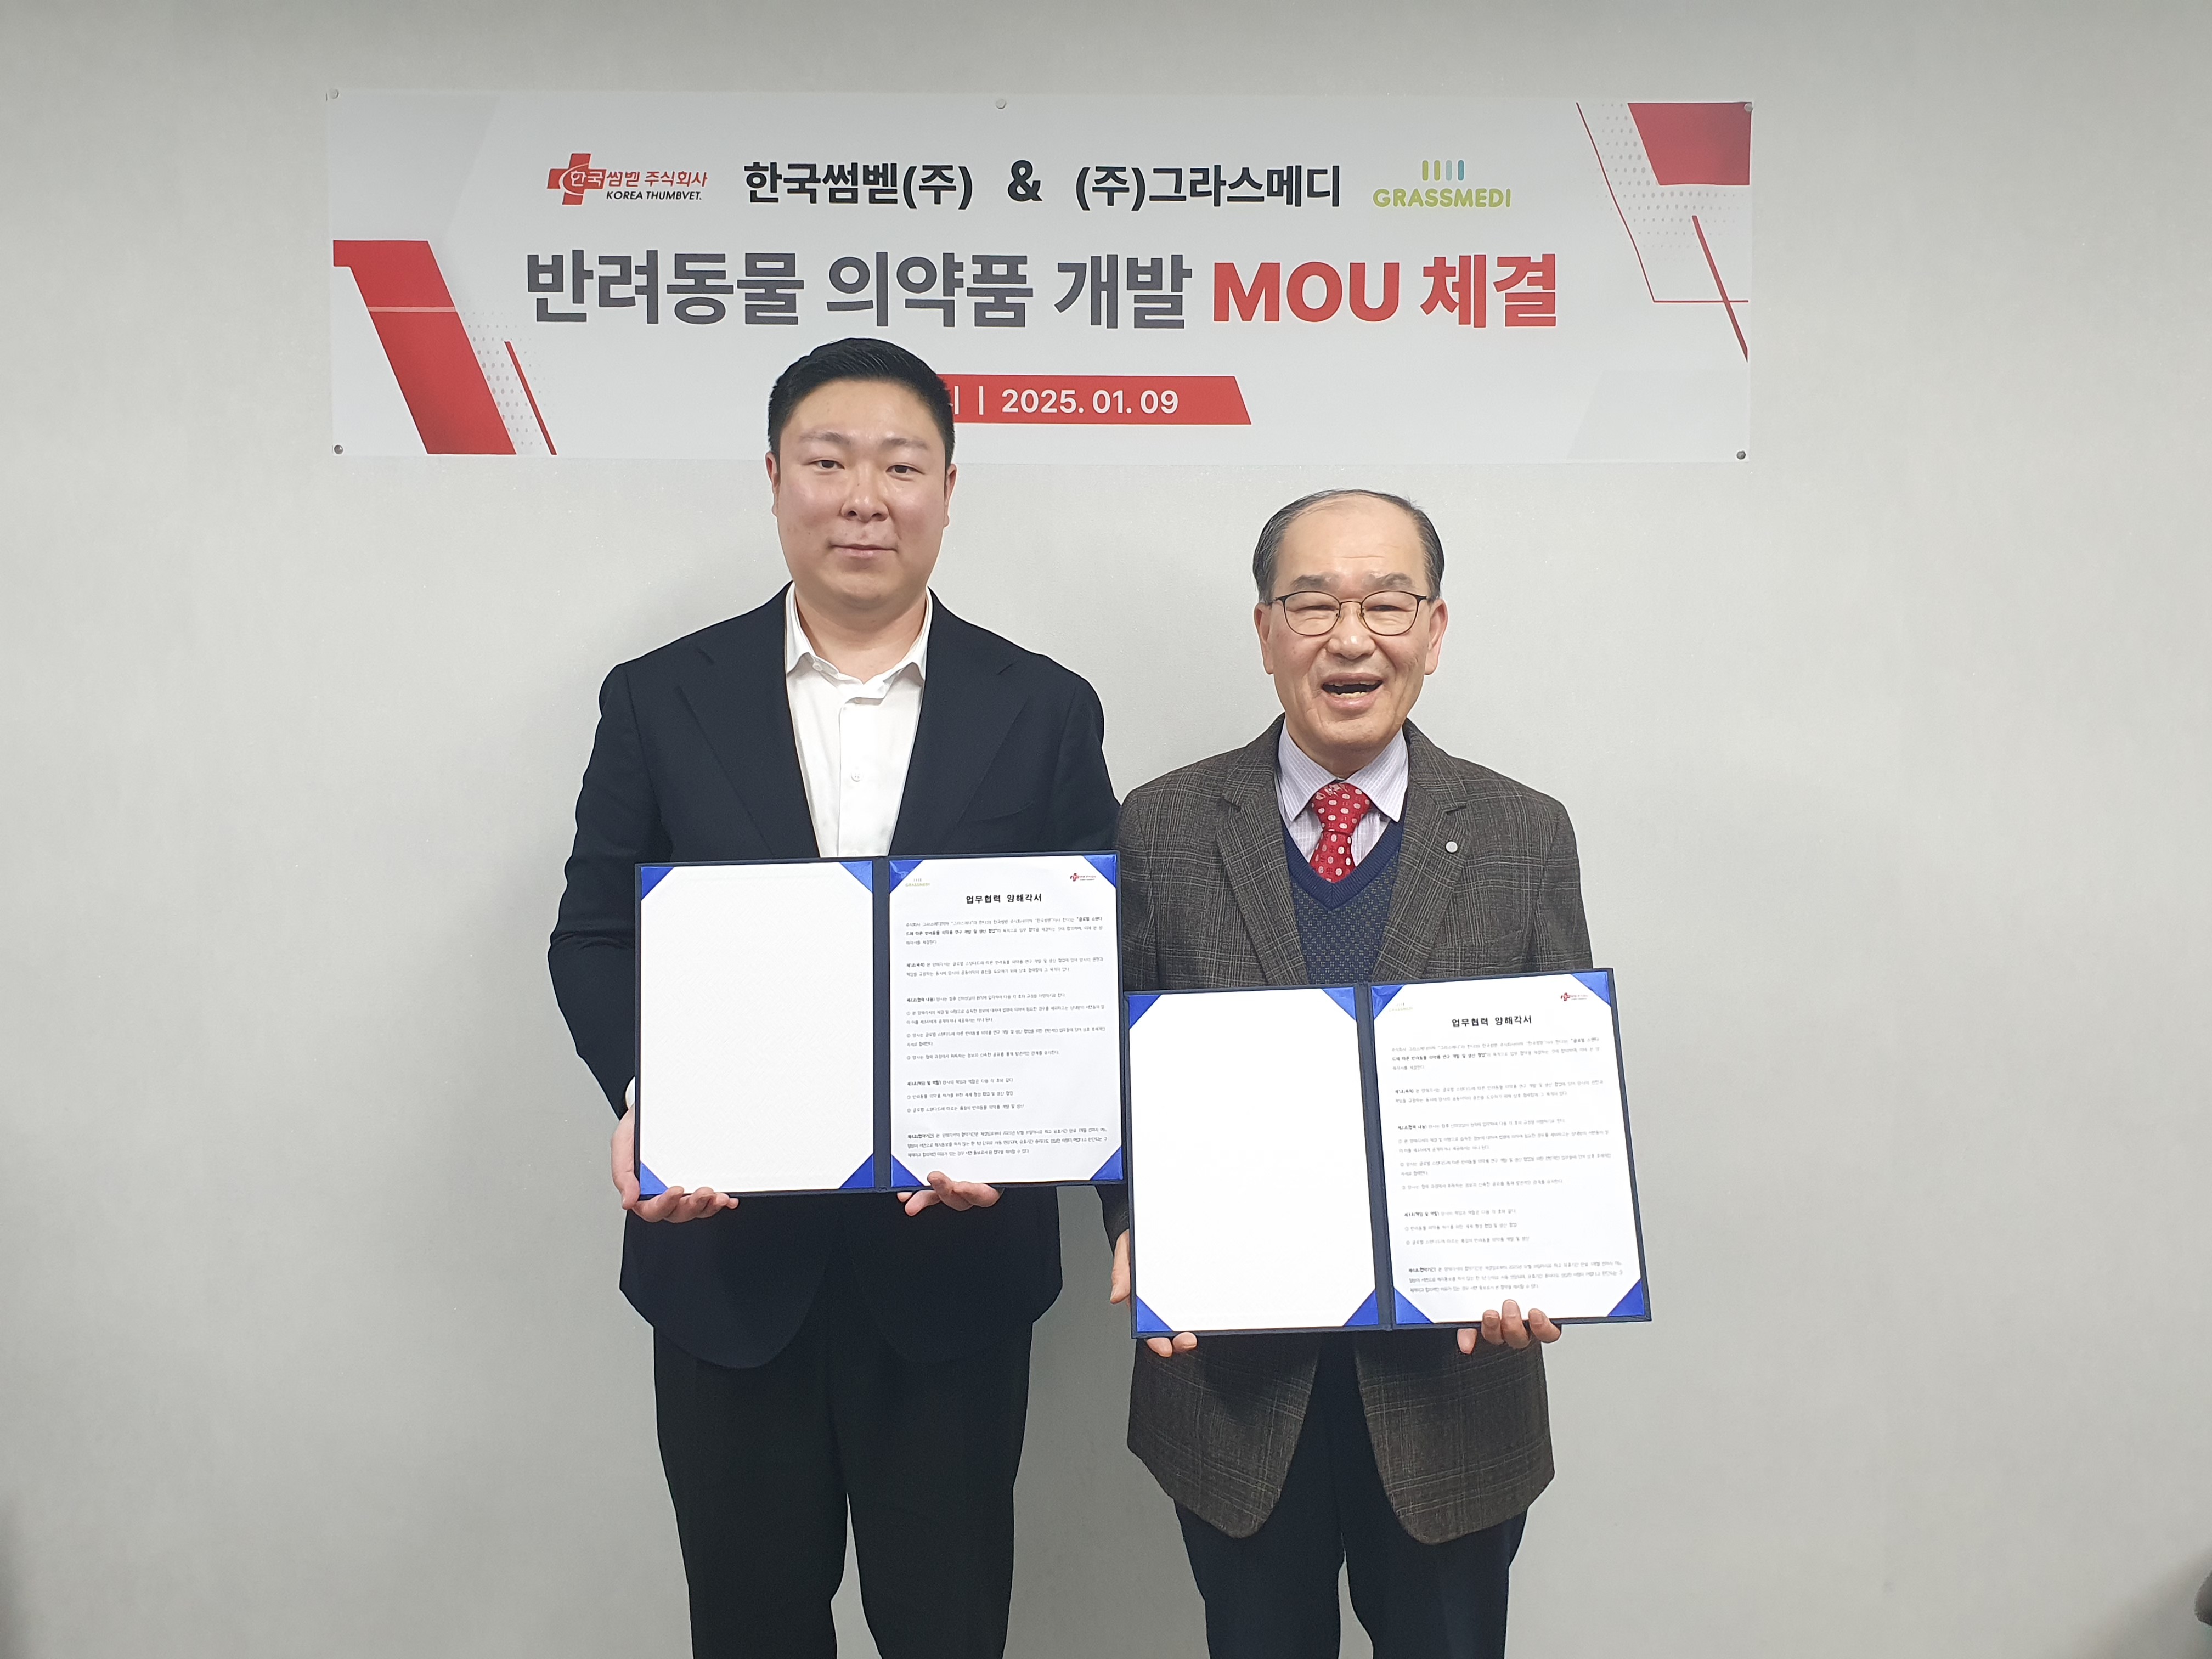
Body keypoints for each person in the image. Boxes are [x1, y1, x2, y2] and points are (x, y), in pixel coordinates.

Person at [548, 337, 1118, 1659]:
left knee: (949, 1628)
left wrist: (1026, 1126)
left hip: (956, 1273)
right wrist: (651, 1100)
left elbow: (1088, 958)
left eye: (902, 467)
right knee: (749, 1627)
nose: (865, 497)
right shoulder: (659, 699)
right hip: (726, 1268)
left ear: (948, 492)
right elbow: (596, 937)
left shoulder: (1043, 709)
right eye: (829, 461)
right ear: (774, 479)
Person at [1100, 489, 1591, 1659]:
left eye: (1388, 604)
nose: (1352, 638)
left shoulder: (1525, 833)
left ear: (1436, 630)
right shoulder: (1162, 828)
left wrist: (1546, 1257)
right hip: (1235, 1396)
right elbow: (1113, 1078)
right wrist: (1137, 1226)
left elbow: (1556, 1089)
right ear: (1267, 633)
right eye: (1314, 605)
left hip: (1455, 1397)